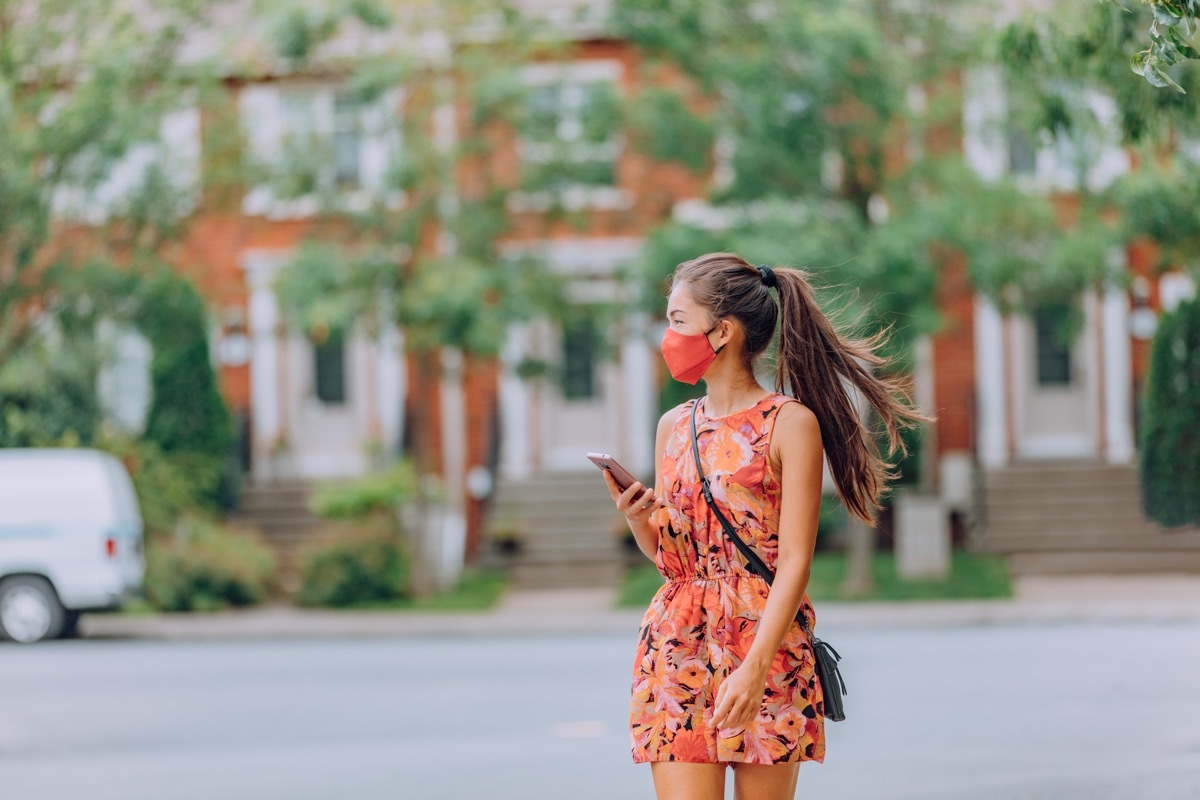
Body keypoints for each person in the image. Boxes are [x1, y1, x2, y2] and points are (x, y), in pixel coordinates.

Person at [601, 252, 923, 800]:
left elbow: (795, 559)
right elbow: (674, 560)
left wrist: (754, 668)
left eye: (678, 319)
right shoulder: (672, 426)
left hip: (767, 646)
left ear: (721, 331)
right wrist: (639, 521)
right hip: (679, 645)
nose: (668, 334)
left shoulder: (790, 424)